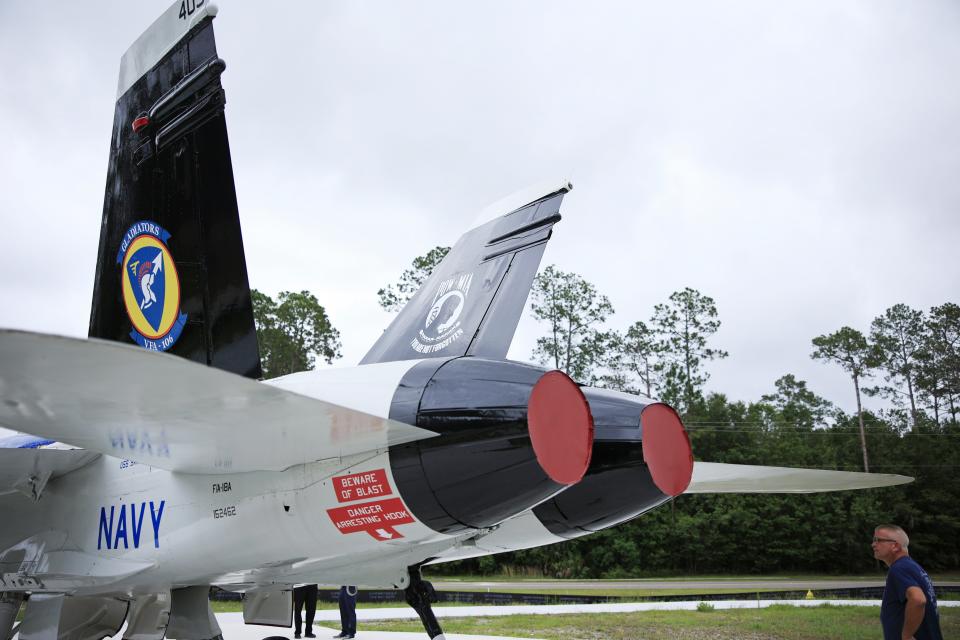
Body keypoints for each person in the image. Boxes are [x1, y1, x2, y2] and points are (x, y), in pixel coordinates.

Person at [872, 524, 943, 640]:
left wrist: (906, 636)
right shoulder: (913, 567)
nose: (873, 544)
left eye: (878, 540)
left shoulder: (899, 568)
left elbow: (918, 600)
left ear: (895, 546)